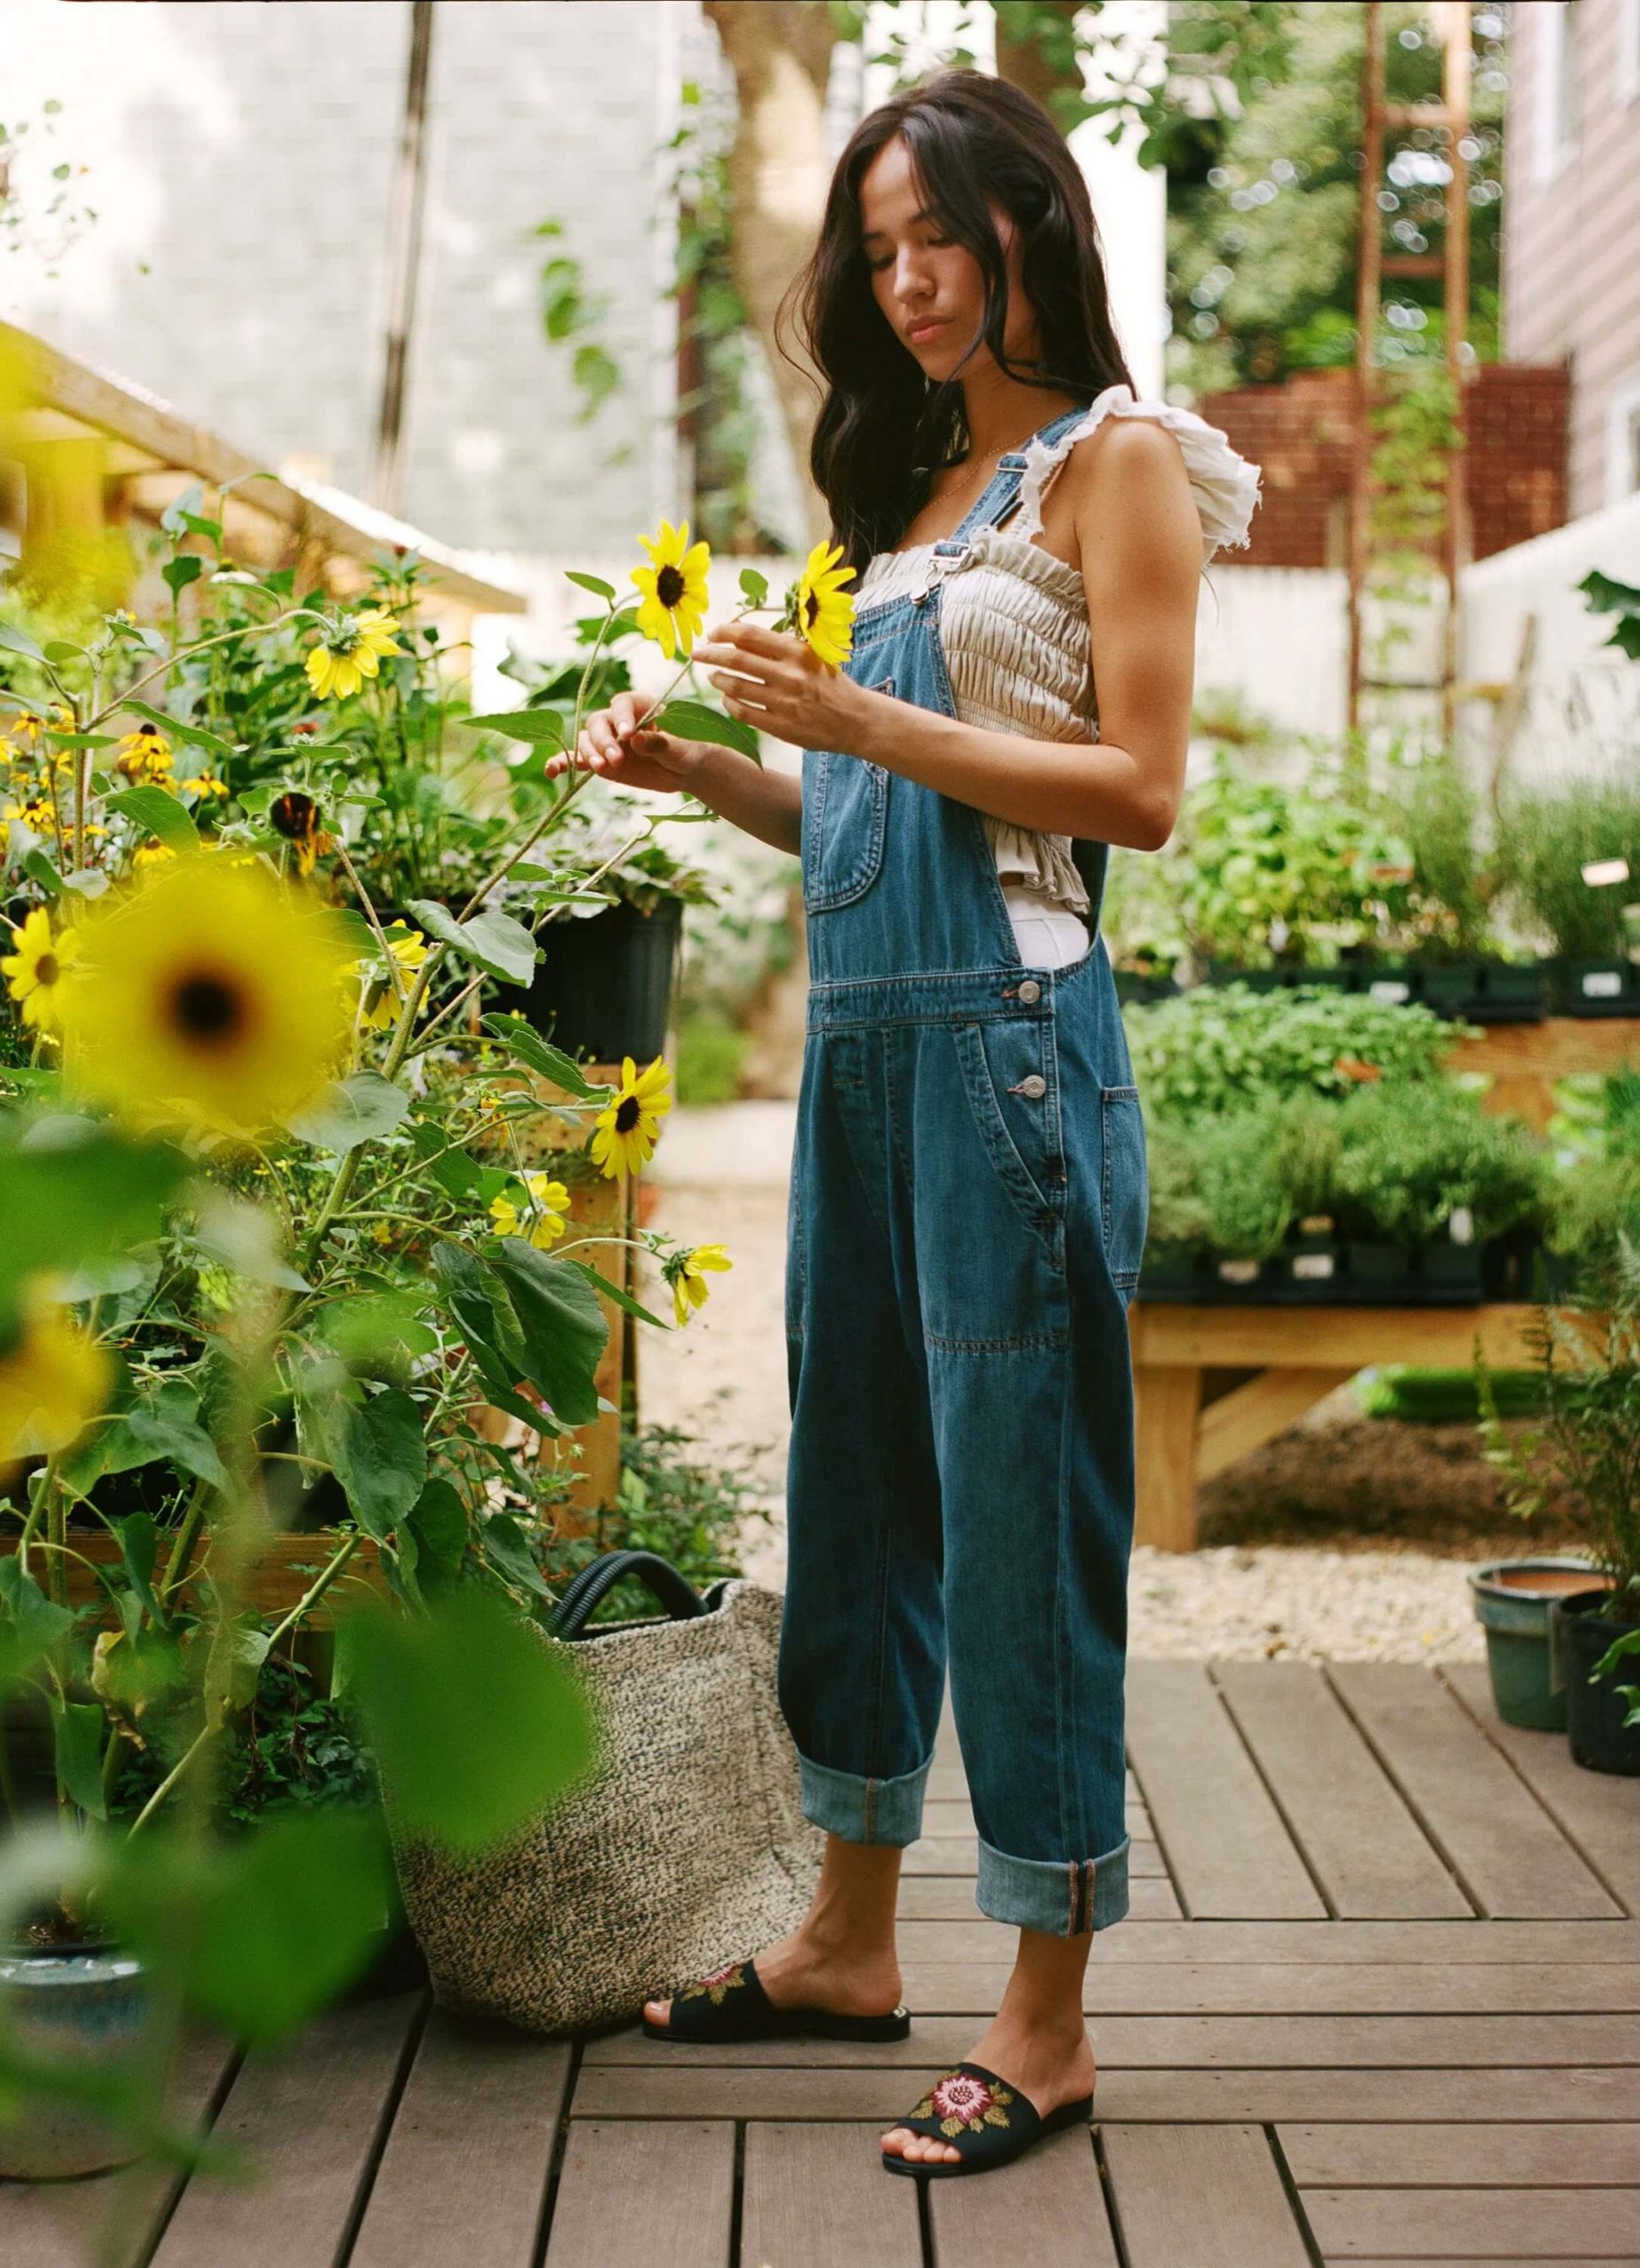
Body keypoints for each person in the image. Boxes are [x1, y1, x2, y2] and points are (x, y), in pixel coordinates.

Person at [546, 66, 1260, 2180]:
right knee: (854, 1486)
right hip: (867, 1047)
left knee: (1023, 1522)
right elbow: (879, 800)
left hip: (1012, 1050)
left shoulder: (1116, 466)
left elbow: (1135, 792)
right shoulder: (921, 484)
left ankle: (1041, 2017)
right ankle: (846, 1934)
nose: (910, 280)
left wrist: (862, 707)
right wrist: (720, 773)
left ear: (1029, 220)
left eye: (936, 233)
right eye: (875, 253)